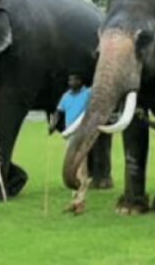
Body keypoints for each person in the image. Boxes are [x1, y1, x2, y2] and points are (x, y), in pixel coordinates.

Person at [49, 73, 91, 215]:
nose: (71, 82)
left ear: (80, 81)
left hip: (82, 135)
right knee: (71, 170)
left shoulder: (87, 93)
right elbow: (58, 112)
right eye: (69, 80)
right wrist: (53, 124)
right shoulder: (66, 96)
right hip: (70, 136)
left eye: (74, 80)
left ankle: (80, 201)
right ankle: (74, 200)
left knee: (81, 169)